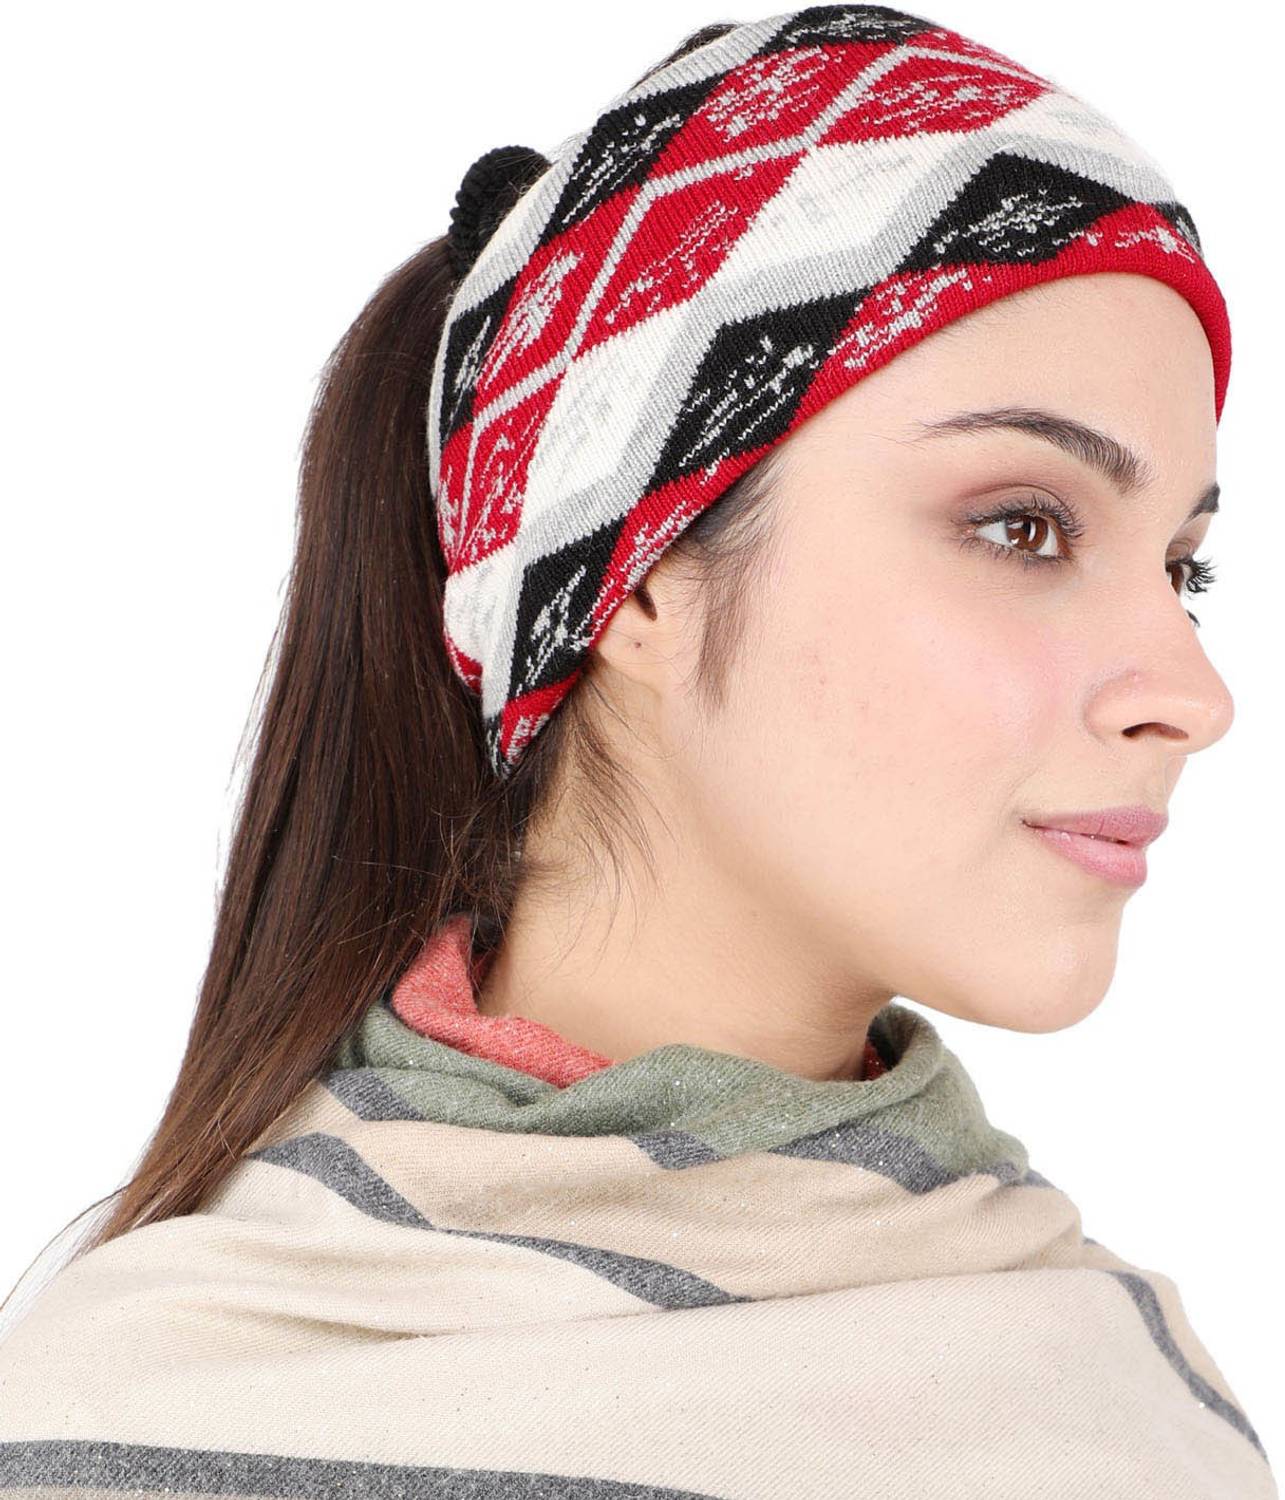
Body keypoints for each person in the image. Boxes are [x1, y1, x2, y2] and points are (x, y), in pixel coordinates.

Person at [0, 7, 1274, 1497]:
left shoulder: (1123, 1414)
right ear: (640, 572)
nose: (1192, 695)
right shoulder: (131, 1417)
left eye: (1181, 568)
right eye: (1023, 527)